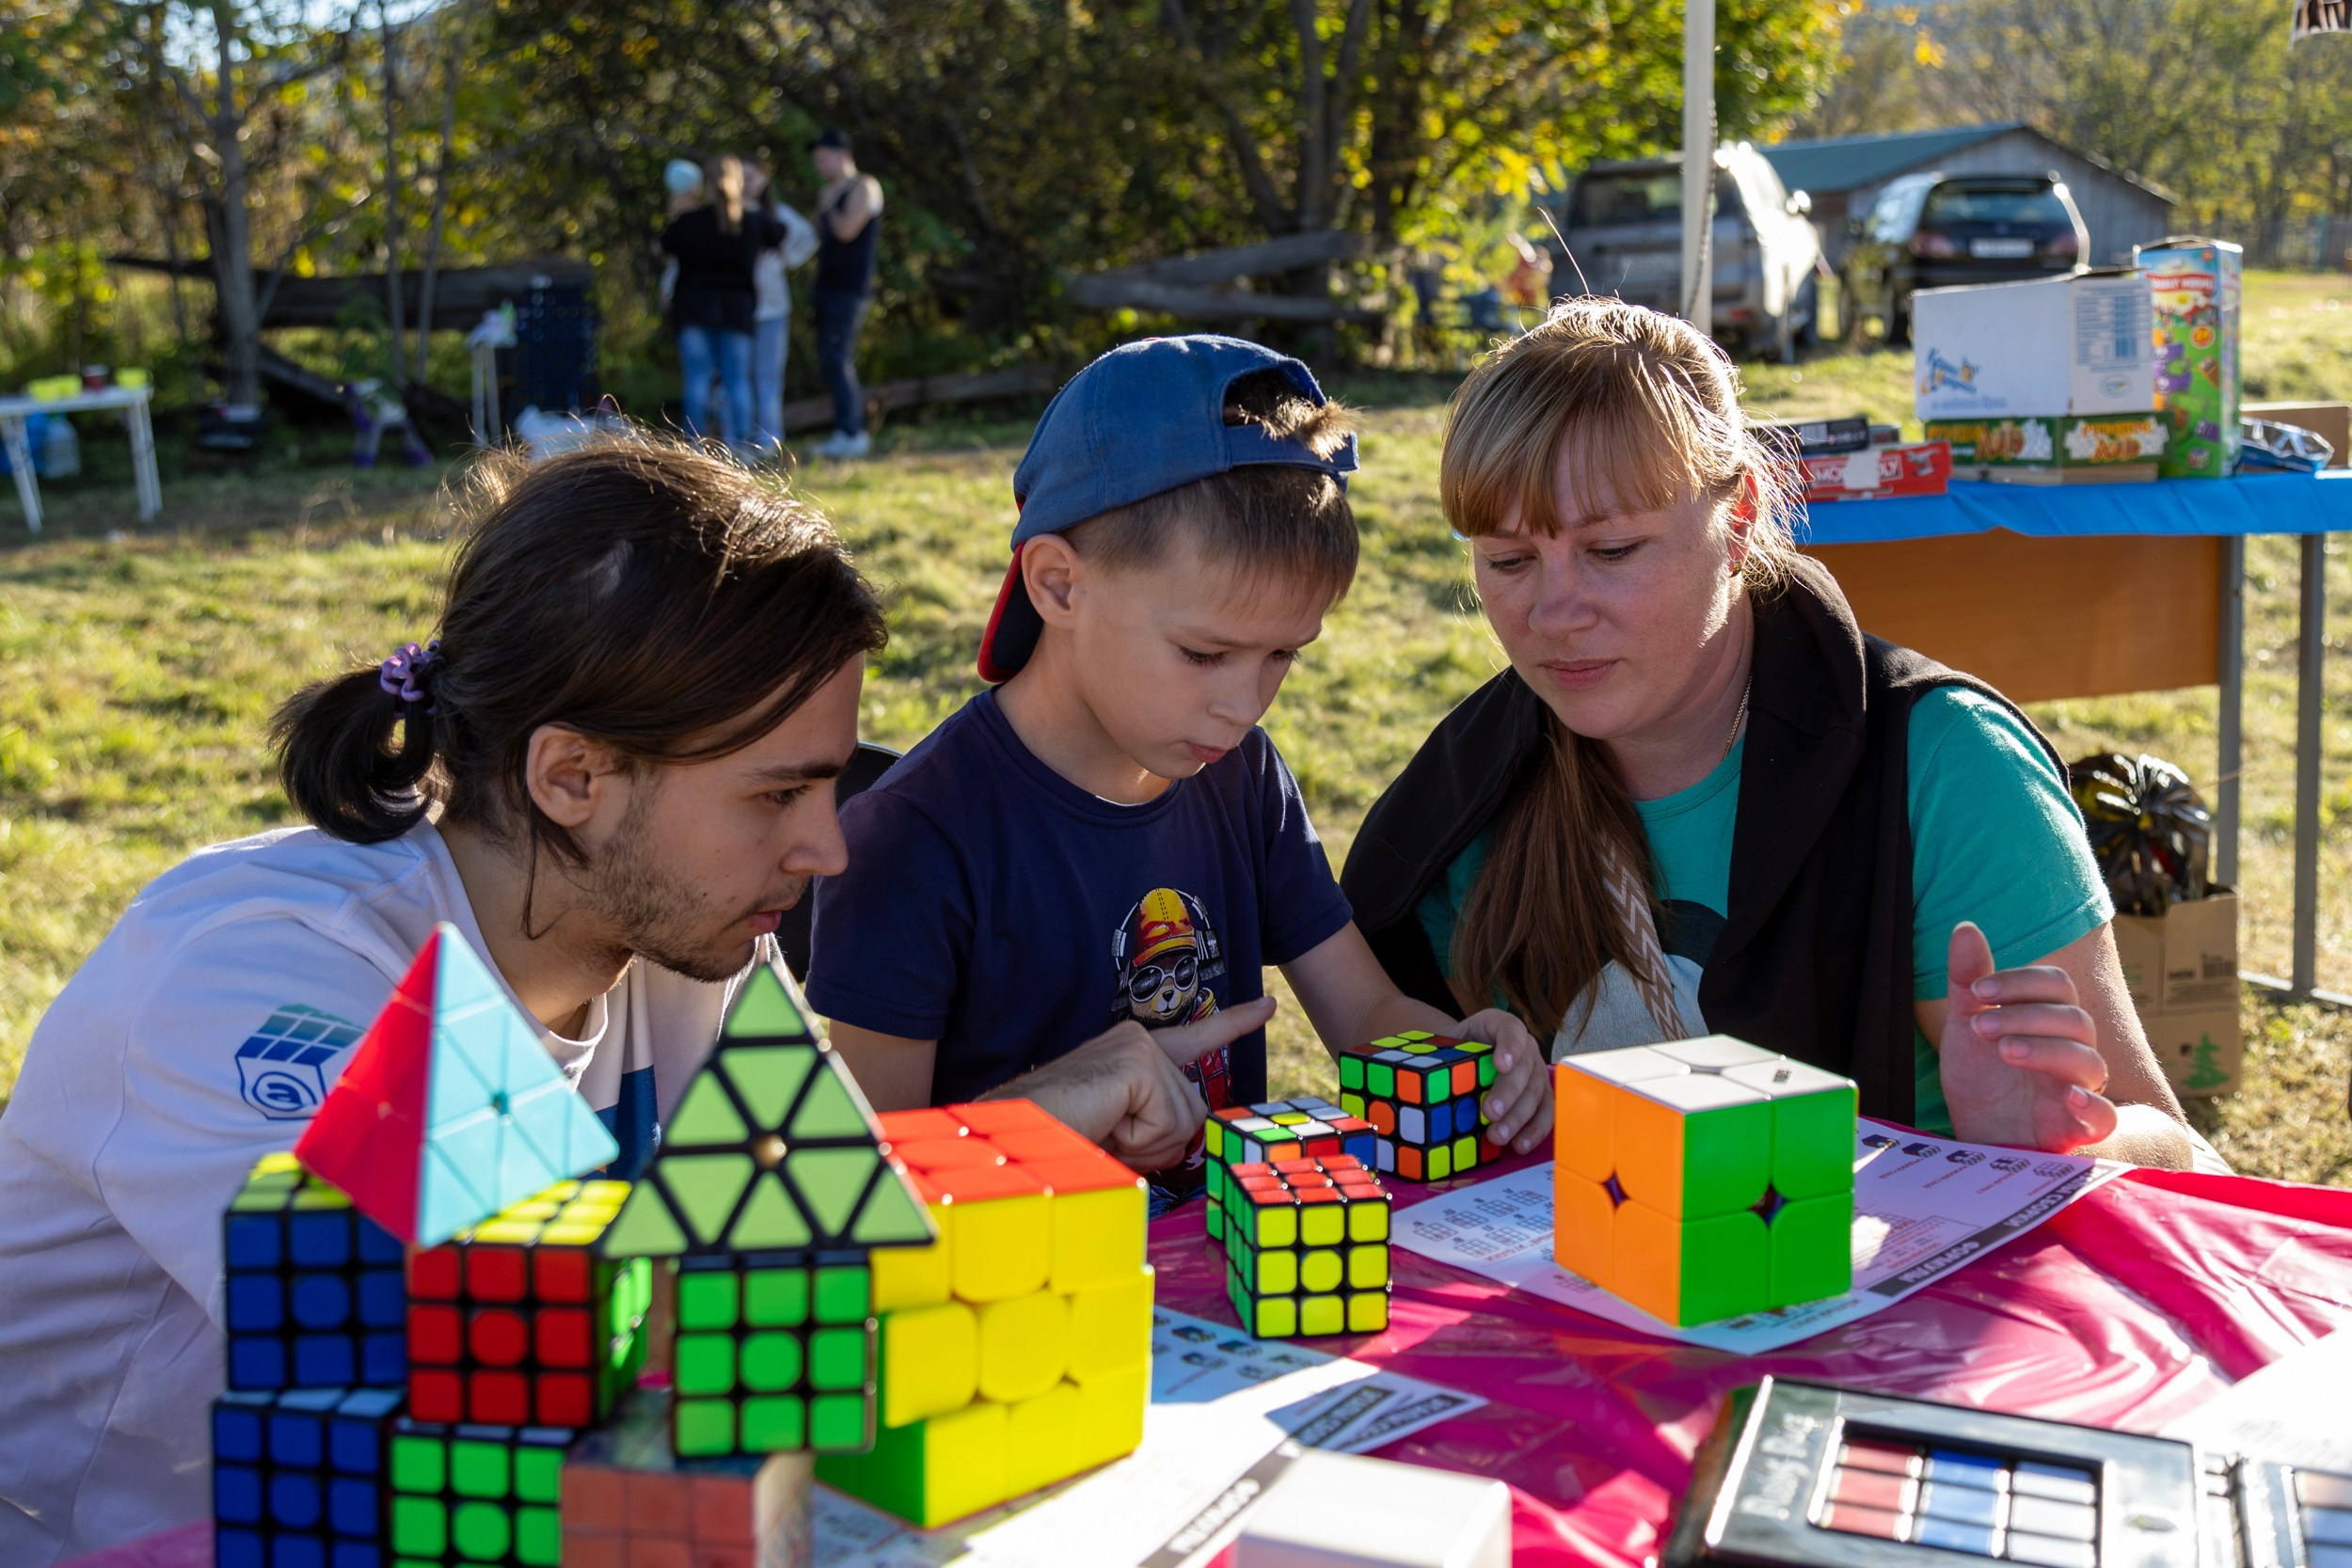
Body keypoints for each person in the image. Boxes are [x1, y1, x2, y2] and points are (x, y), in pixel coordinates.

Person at [0, 438, 887, 1564]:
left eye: (829, 784)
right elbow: (465, 1342)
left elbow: (850, 1232)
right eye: (776, 794)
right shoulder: (255, 968)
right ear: (571, 776)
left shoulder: (697, 935)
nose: (828, 848)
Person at [1342, 297, 2201, 1169]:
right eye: (1509, 561)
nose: (1554, 613)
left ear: (1741, 515)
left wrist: (2055, 1149)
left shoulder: (1942, 768)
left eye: (1612, 551)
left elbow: (2191, 1166)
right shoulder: (1463, 804)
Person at [806, 336, 1554, 1196]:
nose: (1245, 706)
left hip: (1225, 1298)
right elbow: (867, 1186)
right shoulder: (915, 836)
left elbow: (1367, 1017)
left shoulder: (1242, 778)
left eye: (1283, 655)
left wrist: (1464, 1053)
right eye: (1204, 655)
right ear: (1058, 586)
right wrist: (1055, 1108)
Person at [661, 154, 788, 454]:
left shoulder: (690, 221)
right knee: (737, 380)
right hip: (736, 310)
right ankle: (741, 448)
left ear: (705, 185)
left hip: (693, 308)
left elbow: (664, 245)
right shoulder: (753, 221)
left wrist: (676, 210)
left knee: (697, 379)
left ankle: (694, 448)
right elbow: (781, 233)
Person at [807, 128, 883, 460]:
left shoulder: (864, 186)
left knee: (839, 360)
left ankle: (853, 434)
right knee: (829, 360)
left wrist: (827, 209)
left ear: (842, 155)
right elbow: (816, 233)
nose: (819, 165)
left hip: (851, 288)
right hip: (827, 284)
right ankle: (844, 430)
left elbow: (846, 230)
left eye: (823, 158)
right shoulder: (830, 193)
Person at [747, 164, 820, 453]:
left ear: (764, 178)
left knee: (768, 377)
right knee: (739, 379)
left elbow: (808, 237)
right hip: (736, 310)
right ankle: (741, 440)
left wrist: (785, 259)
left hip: (773, 309)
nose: (745, 183)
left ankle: (769, 440)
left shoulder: (778, 214)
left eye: (750, 176)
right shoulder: (726, 214)